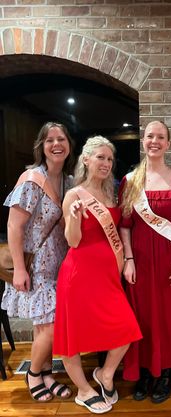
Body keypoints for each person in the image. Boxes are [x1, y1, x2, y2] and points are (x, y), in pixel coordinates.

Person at [53, 136, 142, 414]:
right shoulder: (74, 195)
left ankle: (105, 374)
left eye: (109, 159)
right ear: (86, 160)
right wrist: (76, 219)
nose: (106, 163)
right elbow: (73, 241)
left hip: (107, 277)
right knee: (73, 337)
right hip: (79, 276)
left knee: (127, 330)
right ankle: (83, 389)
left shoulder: (112, 194)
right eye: (100, 157)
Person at [119, 120, 171, 404]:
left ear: (169, 144)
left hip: (170, 262)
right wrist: (128, 260)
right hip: (140, 261)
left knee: (167, 317)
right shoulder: (130, 181)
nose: (155, 141)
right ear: (143, 141)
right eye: (150, 136)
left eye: (161, 137)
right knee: (141, 316)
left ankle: (166, 371)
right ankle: (144, 370)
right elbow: (125, 225)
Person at [2, 122, 74, 402]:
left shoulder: (67, 180)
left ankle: (47, 373)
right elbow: (14, 226)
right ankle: (33, 373)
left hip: (60, 264)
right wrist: (19, 268)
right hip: (36, 265)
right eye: (50, 140)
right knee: (50, 324)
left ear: (69, 144)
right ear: (41, 146)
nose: (56, 144)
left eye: (61, 139)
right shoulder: (32, 178)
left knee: (43, 325)